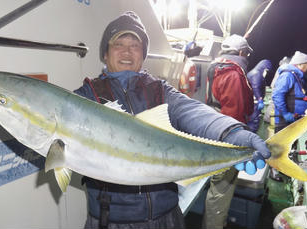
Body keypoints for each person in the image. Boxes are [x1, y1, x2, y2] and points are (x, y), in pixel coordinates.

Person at [73, 12, 271, 229]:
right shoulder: (86, 97)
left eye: (135, 45)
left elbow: (193, 111)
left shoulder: (159, 90)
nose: (127, 51)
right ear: (105, 53)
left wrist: (231, 131)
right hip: (111, 219)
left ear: (144, 53)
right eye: (118, 44)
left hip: (167, 216)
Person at [203, 34, 257, 229]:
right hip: (226, 139)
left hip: (212, 129)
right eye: (246, 53)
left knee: (216, 184)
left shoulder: (215, 67)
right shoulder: (233, 74)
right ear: (241, 52)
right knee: (221, 188)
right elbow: (234, 114)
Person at [272, 51, 307, 133]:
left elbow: (305, 96)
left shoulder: (300, 78)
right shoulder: (287, 75)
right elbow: (277, 96)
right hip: (284, 122)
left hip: (297, 120)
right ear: (301, 64)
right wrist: (285, 113)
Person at [247, 59, 272, 133]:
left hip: (251, 101)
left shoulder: (254, 72)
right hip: (254, 102)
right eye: (266, 70)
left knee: (251, 120)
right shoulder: (256, 74)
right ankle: (251, 138)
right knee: (254, 121)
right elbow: (255, 87)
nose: (266, 73)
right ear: (263, 68)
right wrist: (260, 99)